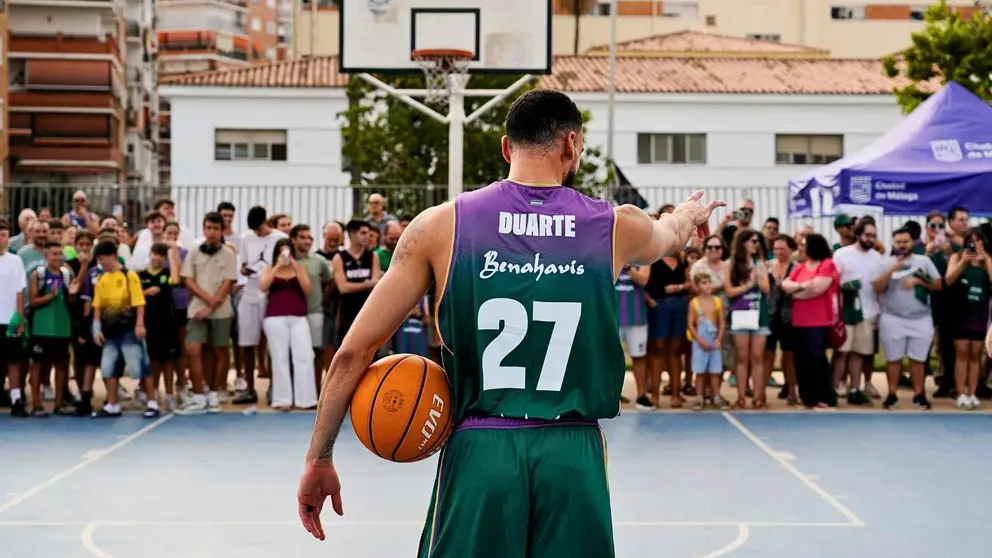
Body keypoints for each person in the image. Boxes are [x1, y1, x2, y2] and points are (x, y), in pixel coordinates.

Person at [295, 89, 722, 557]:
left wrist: (319, 457)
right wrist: (687, 213)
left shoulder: (440, 225)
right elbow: (673, 235)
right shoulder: (616, 225)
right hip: (572, 450)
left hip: (482, 447)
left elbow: (353, 354)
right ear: (571, 145)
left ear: (505, 147)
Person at [872, 227, 941, 410]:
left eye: (905, 241)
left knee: (918, 359)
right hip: (892, 318)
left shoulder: (924, 261)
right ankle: (892, 394)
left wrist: (920, 281)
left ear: (913, 242)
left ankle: (919, 395)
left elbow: (938, 285)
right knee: (893, 358)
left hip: (921, 318)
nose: (902, 245)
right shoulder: (885, 263)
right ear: (893, 243)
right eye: (898, 242)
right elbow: (877, 287)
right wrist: (892, 270)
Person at [90, 240, 158, 419]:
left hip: (129, 330)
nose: (101, 263)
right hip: (110, 333)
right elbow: (97, 306)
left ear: (112, 256)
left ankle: (152, 403)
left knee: (140, 366)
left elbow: (139, 302)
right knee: (107, 368)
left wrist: (140, 324)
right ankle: (112, 405)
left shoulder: (130, 276)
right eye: (98, 259)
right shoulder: (102, 280)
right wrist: (96, 329)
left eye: (102, 258)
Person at [179, 212, 238, 415]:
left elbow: (229, 281)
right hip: (197, 310)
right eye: (208, 228)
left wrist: (212, 305)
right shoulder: (195, 251)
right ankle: (198, 396)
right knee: (193, 349)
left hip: (221, 310)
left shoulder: (228, 253)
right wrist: (205, 299)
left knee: (219, 350)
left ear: (221, 231)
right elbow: (187, 279)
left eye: (215, 228)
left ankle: (213, 393)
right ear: (203, 229)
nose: (211, 232)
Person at [781, 233, 838, 409]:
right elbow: (785, 285)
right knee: (801, 359)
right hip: (798, 320)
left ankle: (825, 396)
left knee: (817, 358)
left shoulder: (827, 265)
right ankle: (808, 397)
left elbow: (817, 289)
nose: (800, 248)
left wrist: (796, 291)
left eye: (803, 245)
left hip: (819, 321)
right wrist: (801, 286)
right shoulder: (800, 266)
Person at [261, 238, 317, 410]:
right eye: (281, 250)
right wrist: (278, 266)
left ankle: (306, 399)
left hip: (298, 317)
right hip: (275, 317)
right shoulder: (270, 269)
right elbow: (263, 286)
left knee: (304, 356)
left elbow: (308, 289)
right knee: (279, 358)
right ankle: (282, 399)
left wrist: (294, 266)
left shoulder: (299, 268)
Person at [944, 227, 992, 410]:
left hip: (980, 315)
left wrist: (986, 260)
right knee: (962, 354)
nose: (975, 244)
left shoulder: (987, 260)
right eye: (971, 240)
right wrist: (963, 263)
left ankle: (972, 393)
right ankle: (960, 393)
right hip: (960, 314)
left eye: (978, 240)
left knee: (975, 355)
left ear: (983, 242)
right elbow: (948, 280)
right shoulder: (957, 257)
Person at [723, 229, 770, 409]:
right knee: (742, 357)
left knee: (757, 357)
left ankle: (758, 397)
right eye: (752, 241)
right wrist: (748, 284)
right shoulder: (730, 264)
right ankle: (741, 396)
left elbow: (766, 289)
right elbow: (729, 291)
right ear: (743, 243)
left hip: (759, 314)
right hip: (740, 314)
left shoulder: (760, 263)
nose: (755, 245)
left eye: (757, 241)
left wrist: (758, 277)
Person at [331, 220, 381, 343]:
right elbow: (343, 288)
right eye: (363, 233)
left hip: (368, 310)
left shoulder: (372, 256)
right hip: (346, 312)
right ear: (352, 234)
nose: (367, 237)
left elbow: (376, 283)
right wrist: (367, 283)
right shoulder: (339, 257)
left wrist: (354, 285)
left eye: (369, 234)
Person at [0, 219, 28, 417]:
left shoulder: (16, 260)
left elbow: (20, 292)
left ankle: (17, 399)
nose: (3, 239)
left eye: (5, 235)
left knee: (14, 361)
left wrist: (19, 319)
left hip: (10, 320)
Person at [687, 271, 726, 410]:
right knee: (700, 371)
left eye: (709, 282)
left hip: (714, 340)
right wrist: (700, 341)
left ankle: (716, 396)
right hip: (700, 342)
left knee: (715, 371)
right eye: (703, 283)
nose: (707, 285)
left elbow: (722, 322)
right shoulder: (694, 303)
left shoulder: (717, 301)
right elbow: (691, 325)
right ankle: (699, 397)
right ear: (697, 286)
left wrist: (719, 339)